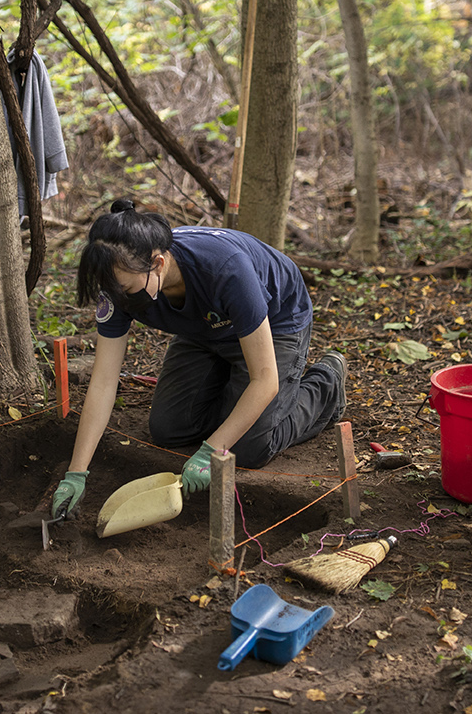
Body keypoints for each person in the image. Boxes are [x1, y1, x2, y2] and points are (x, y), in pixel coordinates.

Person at [51, 200, 347, 519]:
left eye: (125, 288)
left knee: (247, 449)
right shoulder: (118, 285)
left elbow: (265, 380)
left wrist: (212, 449)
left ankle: (326, 382)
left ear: (159, 263)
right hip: (206, 328)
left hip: (275, 322)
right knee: (169, 428)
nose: (119, 297)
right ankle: (231, 386)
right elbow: (104, 381)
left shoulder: (226, 269)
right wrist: (76, 472)